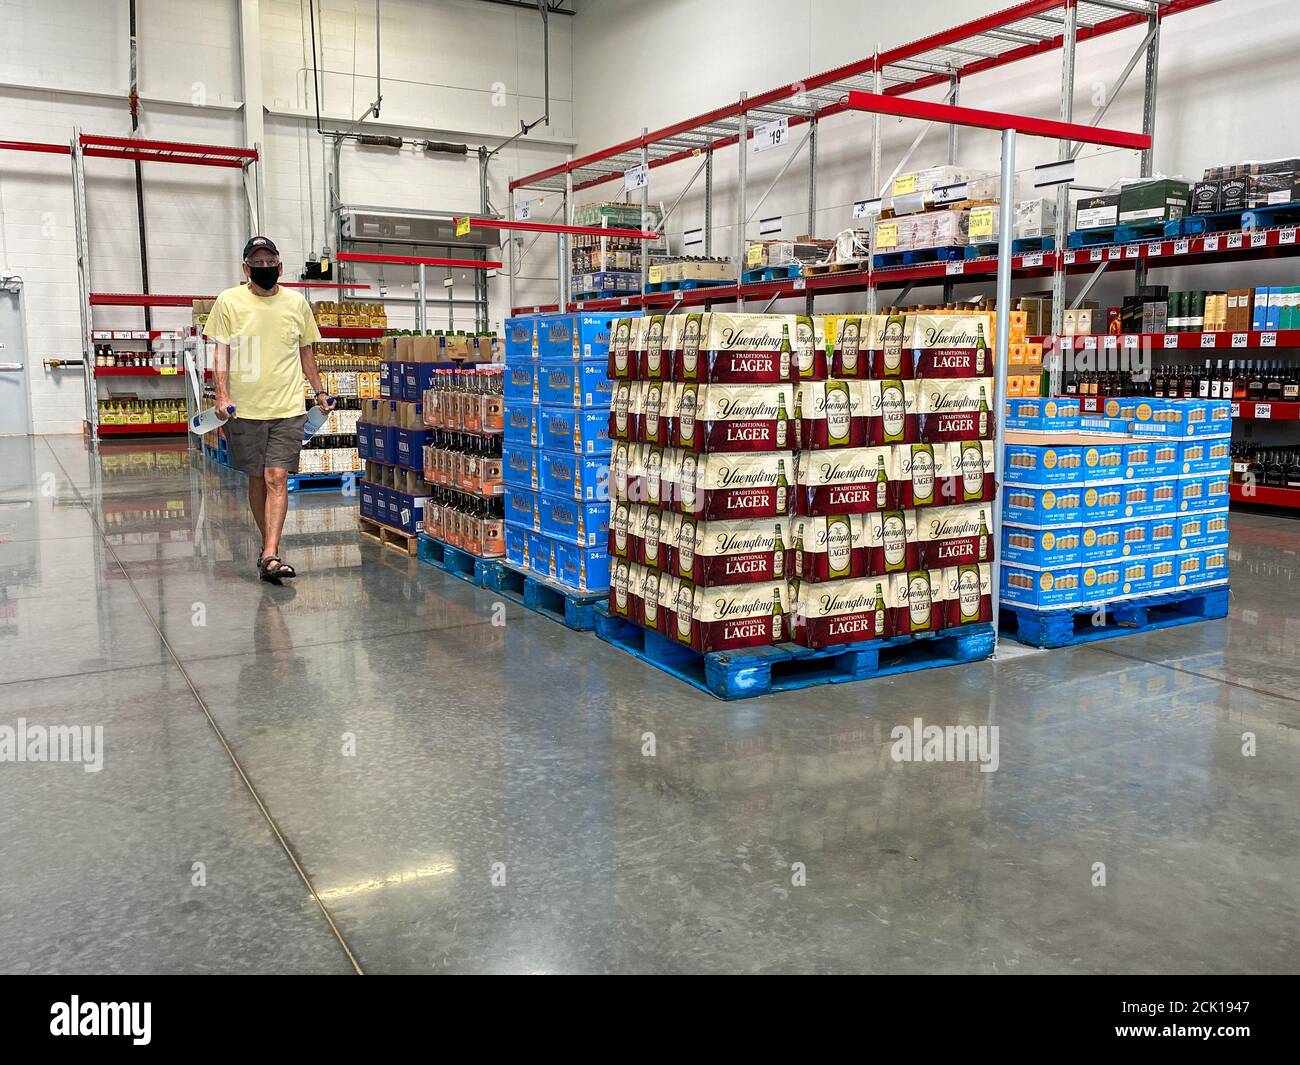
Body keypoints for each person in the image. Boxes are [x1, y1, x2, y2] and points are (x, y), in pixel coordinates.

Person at [203, 236, 330, 581]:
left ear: (280, 266)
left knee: (277, 477)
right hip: (244, 410)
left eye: (269, 262)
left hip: (288, 407)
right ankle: (267, 545)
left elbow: (306, 353)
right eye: (256, 264)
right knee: (258, 479)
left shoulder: (297, 304)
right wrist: (221, 395)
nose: (264, 268)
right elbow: (221, 352)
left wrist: (320, 393)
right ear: (246, 269)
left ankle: (272, 552)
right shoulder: (228, 301)